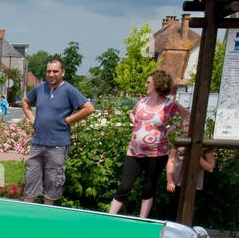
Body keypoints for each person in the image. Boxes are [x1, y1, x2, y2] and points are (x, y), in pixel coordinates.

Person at [109, 70, 189, 218]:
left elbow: (188, 116)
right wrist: (135, 123)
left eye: (148, 82)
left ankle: (142, 220)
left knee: (148, 187)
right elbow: (131, 113)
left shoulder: (169, 105)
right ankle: (109, 217)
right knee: (125, 186)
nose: (146, 85)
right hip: (134, 151)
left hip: (156, 153)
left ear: (157, 84)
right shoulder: (142, 102)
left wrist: (174, 127)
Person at [21, 57, 93, 205]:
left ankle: (47, 218)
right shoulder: (40, 88)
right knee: (31, 180)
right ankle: (27, 216)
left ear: (63, 72)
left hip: (57, 145)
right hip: (37, 143)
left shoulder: (69, 90)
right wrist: (31, 118)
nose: (51, 74)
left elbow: (88, 108)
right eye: (49, 71)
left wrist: (69, 120)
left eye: (55, 71)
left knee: (53, 182)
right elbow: (25, 101)